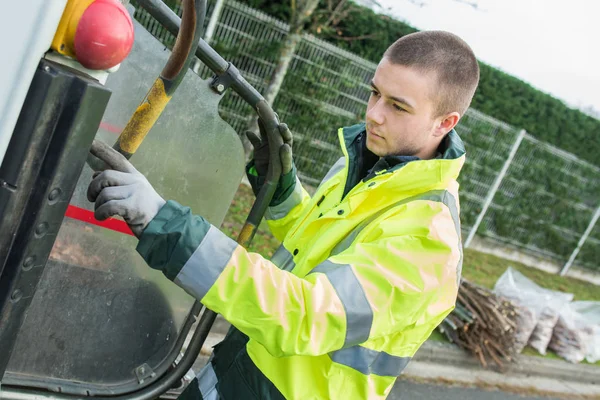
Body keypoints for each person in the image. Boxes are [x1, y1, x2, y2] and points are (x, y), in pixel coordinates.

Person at [87, 30, 480, 399]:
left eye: (398, 106)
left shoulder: (429, 241)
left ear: (444, 123)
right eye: (375, 93)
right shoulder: (369, 166)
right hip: (237, 371)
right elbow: (313, 247)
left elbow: (306, 315)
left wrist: (164, 224)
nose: (374, 114)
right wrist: (281, 192)